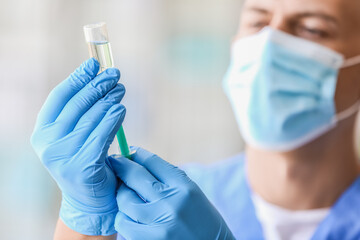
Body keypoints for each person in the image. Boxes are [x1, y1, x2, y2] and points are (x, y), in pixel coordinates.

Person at [31, 0, 360, 239]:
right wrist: (84, 219)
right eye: (258, 22)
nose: (270, 46)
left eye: (312, 29)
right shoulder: (165, 206)